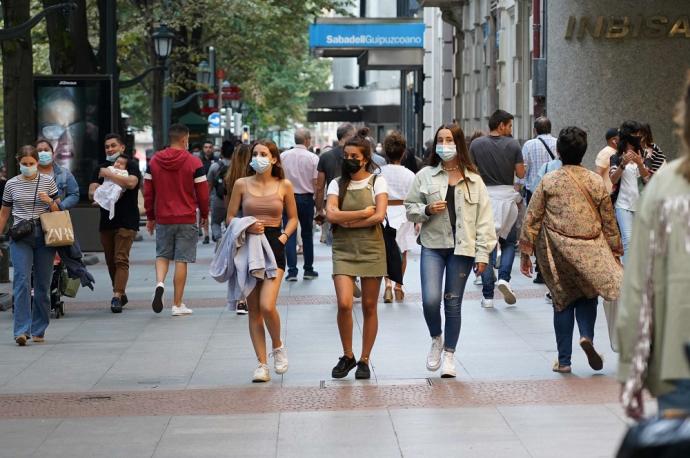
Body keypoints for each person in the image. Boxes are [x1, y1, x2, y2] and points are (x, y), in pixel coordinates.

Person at [520, 126, 623, 373]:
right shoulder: (595, 180)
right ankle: (586, 336)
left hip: (558, 250)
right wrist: (615, 251)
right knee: (588, 295)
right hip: (591, 249)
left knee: (562, 301)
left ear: (559, 151)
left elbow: (532, 217)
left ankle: (564, 361)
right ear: (584, 151)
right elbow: (608, 220)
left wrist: (526, 251)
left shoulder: (549, 180)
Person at [617, 75, 690, 419]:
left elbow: (639, 288)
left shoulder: (665, 186)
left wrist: (632, 370)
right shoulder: (664, 187)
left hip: (679, 357)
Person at [405, 124, 496, 377]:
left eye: (449, 140)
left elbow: (485, 221)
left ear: (458, 144)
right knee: (430, 300)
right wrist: (426, 210)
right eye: (440, 140)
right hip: (433, 245)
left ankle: (449, 356)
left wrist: (482, 254)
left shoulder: (474, 180)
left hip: (462, 249)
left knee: (452, 303)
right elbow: (410, 206)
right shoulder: (425, 175)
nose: (444, 144)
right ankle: (436, 338)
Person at [225, 140, 297, 382]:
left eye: (264, 154)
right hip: (249, 245)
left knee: (267, 305)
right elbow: (230, 216)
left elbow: (293, 218)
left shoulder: (284, 185)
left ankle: (278, 346)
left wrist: (284, 237)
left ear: (274, 159)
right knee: (254, 310)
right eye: (255, 154)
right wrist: (246, 225)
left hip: (275, 245)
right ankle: (261, 364)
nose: (258, 157)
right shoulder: (241, 184)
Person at [326, 128, 388, 380]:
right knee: (344, 303)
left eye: (354, 155)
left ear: (365, 158)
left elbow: (380, 215)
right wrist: (362, 214)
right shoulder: (336, 183)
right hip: (343, 250)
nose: (348, 159)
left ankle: (364, 359)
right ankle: (347, 354)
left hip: (372, 248)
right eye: (346, 154)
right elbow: (331, 214)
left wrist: (347, 221)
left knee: (371, 306)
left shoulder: (377, 181)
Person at [144, 124, 210, 316]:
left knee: (162, 255)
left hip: (163, 217)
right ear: (184, 139)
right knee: (182, 259)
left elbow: (148, 191)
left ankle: (159, 283)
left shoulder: (154, 161)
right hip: (186, 217)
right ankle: (177, 304)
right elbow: (203, 194)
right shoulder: (194, 162)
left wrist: (150, 216)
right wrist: (204, 214)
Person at [1, 146, 61, 345]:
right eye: (24, 164)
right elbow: (4, 213)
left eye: (31, 164)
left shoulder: (48, 181)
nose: (28, 167)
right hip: (20, 236)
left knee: (43, 285)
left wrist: (49, 202)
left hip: (44, 235)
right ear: (18, 163)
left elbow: (57, 209)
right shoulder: (11, 184)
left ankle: (39, 328)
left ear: (37, 163)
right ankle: (21, 330)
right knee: (21, 281)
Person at [469, 109, 525, 308]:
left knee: (486, 244)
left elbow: (471, 171)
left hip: (485, 198)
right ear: (501, 125)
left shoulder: (476, 144)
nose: (510, 129)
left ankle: (488, 296)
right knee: (509, 242)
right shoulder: (513, 144)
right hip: (507, 198)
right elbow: (520, 172)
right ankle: (504, 278)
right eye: (509, 125)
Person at [89, 133, 142, 313]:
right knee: (111, 261)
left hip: (127, 220)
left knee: (121, 258)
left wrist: (109, 174)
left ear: (122, 148)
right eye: (107, 147)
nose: (110, 149)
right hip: (106, 221)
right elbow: (92, 190)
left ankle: (117, 295)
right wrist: (95, 190)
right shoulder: (100, 167)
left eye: (113, 146)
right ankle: (119, 291)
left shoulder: (131, 165)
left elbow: (131, 183)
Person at [379, 131, 416, 302]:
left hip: (384, 212)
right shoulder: (410, 175)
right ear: (403, 152)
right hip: (404, 214)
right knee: (402, 252)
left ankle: (387, 284)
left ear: (386, 152)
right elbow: (414, 199)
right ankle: (398, 286)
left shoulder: (379, 173)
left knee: (387, 251)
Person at [280, 128, 319, 281]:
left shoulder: (283, 156)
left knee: (289, 234)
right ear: (307, 140)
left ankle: (292, 271)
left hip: (287, 198)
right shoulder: (313, 158)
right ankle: (308, 270)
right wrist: (317, 201)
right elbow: (316, 182)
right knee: (307, 234)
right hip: (306, 199)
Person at [609, 121, 650, 264]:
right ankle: (627, 279)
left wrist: (640, 163)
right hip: (623, 205)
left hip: (641, 205)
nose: (638, 138)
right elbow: (613, 179)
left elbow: (648, 180)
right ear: (627, 136)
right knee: (628, 240)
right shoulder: (616, 157)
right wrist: (622, 164)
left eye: (639, 135)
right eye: (635, 135)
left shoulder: (643, 154)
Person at [224, 143, 252, 315]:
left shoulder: (229, 176)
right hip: (251, 222)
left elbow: (229, 208)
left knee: (239, 263)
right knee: (251, 263)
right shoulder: (252, 178)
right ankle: (245, 299)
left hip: (236, 224)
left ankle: (240, 299)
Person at [520, 116, 557, 205]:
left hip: (533, 190)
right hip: (554, 190)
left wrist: (520, 185)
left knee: (533, 217)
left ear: (534, 130)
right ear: (550, 129)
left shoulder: (528, 145)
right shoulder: (558, 142)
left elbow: (523, 168)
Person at [35, 139, 80, 210]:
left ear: (52, 153)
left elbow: (74, 195)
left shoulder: (65, 173)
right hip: (34, 217)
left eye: (46, 150)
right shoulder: (30, 174)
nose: (43, 153)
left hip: (56, 217)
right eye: (39, 151)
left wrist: (60, 206)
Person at [207, 142, 232, 242]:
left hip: (218, 199)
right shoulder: (237, 167)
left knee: (215, 223)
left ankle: (219, 239)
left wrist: (207, 200)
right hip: (233, 200)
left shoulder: (214, 167)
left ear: (221, 152)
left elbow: (209, 185)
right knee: (231, 223)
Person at [93, 155, 130, 220]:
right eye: (117, 162)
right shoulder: (110, 168)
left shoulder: (124, 172)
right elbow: (103, 172)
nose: (118, 164)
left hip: (116, 186)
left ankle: (110, 204)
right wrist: (100, 175)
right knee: (100, 190)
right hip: (107, 184)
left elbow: (125, 181)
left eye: (121, 164)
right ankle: (98, 200)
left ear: (125, 168)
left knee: (114, 193)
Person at [198, 141, 216, 244]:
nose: (208, 149)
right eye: (206, 147)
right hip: (202, 189)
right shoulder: (199, 161)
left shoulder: (217, 161)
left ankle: (213, 232)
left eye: (210, 147)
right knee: (203, 212)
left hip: (214, 190)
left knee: (214, 213)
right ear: (203, 149)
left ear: (212, 148)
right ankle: (206, 235)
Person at [594, 128, 619, 193]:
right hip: (608, 194)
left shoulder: (615, 152)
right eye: (621, 137)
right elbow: (598, 174)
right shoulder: (606, 152)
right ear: (614, 140)